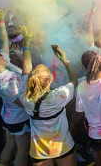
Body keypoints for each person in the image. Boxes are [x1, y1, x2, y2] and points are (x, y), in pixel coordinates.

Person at [19, 35, 78, 166]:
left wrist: (26, 45)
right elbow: (73, 80)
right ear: (50, 80)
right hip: (62, 145)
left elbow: (25, 69)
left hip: (39, 150)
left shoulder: (25, 96)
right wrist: (65, 60)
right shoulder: (58, 96)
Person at [0, 9, 30, 166]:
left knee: (10, 145)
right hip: (18, 118)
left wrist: (1, 22)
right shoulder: (4, 83)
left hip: (8, 116)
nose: (2, 54)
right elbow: (22, 103)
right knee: (22, 150)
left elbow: (4, 41)